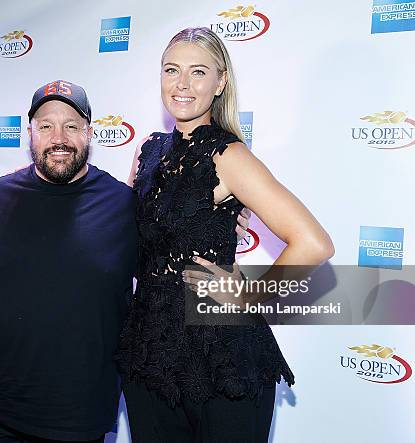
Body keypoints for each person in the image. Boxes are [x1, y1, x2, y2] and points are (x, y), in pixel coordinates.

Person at [0, 79, 252, 442]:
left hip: (79, 419)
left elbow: (169, 273)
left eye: (72, 126)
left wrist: (220, 223)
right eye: (46, 126)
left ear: (89, 133)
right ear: (30, 134)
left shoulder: (125, 206)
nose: (59, 138)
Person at [115, 27, 335, 442]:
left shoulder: (227, 155)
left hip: (218, 353)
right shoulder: (148, 150)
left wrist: (250, 298)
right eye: (171, 70)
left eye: (198, 72)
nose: (182, 84)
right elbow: (123, 237)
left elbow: (313, 242)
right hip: (148, 351)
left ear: (221, 82)